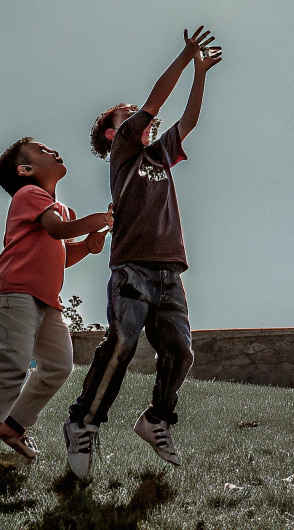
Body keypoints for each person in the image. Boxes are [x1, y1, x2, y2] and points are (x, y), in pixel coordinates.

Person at [62, 26, 222, 479]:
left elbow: (187, 121)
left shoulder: (159, 154)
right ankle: (83, 422)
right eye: (127, 113)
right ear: (116, 132)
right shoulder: (124, 152)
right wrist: (184, 53)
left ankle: (156, 420)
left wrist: (201, 74)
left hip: (169, 270)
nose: (137, 114)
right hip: (132, 268)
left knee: (181, 352)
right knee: (124, 342)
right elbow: (156, 100)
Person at [0, 137, 113, 471]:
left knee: (59, 365)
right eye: (43, 151)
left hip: (47, 302)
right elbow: (58, 231)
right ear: (26, 169)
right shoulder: (29, 195)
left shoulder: (59, 208)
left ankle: (12, 426)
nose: (54, 150)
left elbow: (60, 254)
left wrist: (87, 246)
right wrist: (98, 220)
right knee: (13, 365)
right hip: (14, 293)